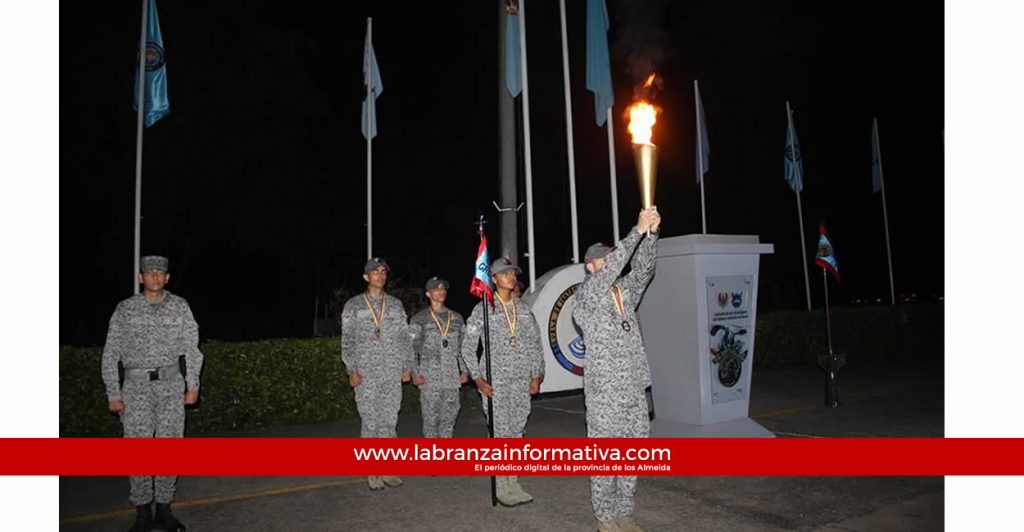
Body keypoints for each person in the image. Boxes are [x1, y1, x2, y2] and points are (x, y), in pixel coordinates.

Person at [572, 207, 661, 532]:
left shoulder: (624, 292)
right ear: (590, 265)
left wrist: (650, 235)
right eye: (603, 258)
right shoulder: (585, 296)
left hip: (634, 387)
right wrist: (635, 232)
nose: (610, 261)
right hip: (605, 393)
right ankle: (605, 517)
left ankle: (624, 511)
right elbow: (614, 270)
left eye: (611, 256)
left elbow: (643, 270)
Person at [101, 255, 203, 532]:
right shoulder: (126, 310)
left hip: (170, 386)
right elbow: (111, 353)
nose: (156, 277)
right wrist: (113, 392)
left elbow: (191, 349)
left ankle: (165, 510)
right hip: (135, 389)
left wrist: (192, 385)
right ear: (140, 278)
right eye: (150, 273)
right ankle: (142, 511)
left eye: (161, 273)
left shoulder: (179, 307)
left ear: (167, 278)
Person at [460, 257, 545, 507]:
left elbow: (535, 345)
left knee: (517, 433)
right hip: (495, 383)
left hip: (520, 382)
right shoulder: (483, 310)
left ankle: (513, 481)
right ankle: (501, 485)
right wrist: (477, 379)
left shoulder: (524, 310)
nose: (511, 276)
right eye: (504, 273)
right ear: (493, 279)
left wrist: (536, 375)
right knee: (499, 434)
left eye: (513, 273)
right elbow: (467, 347)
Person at [341, 257, 414, 490]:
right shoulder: (353, 305)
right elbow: (348, 341)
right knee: (371, 422)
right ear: (366, 277)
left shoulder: (395, 305)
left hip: (391, 371)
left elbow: (404, 338)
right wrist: (351, 369)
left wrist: (406, 367)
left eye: (383, 272)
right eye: (375, 272)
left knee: (389, 421)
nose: (380, 275)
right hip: (366, 373)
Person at [409, 276, 468, 437]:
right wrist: (415, 373)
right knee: (430, 422)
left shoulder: (456, 318)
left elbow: (463, 347)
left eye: (443, 288)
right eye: (436, 289)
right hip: (429, 378)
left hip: (451, 377)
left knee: (449, 421)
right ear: (428, 294)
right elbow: (411, 349)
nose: (441, 291)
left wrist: (464, 370)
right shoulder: (419, 319)